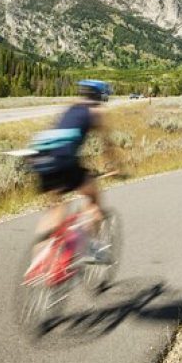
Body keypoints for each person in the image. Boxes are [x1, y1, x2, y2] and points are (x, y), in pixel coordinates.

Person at [29, 79, 118, 261]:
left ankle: (37, 264)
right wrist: (116, 167)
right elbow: (107, 146)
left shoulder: (71, 108)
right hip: (63, 158)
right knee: (93, 197)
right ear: (102, 96)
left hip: (40, 155)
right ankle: (94, 249)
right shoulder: (96, 111)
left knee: (54, 210)